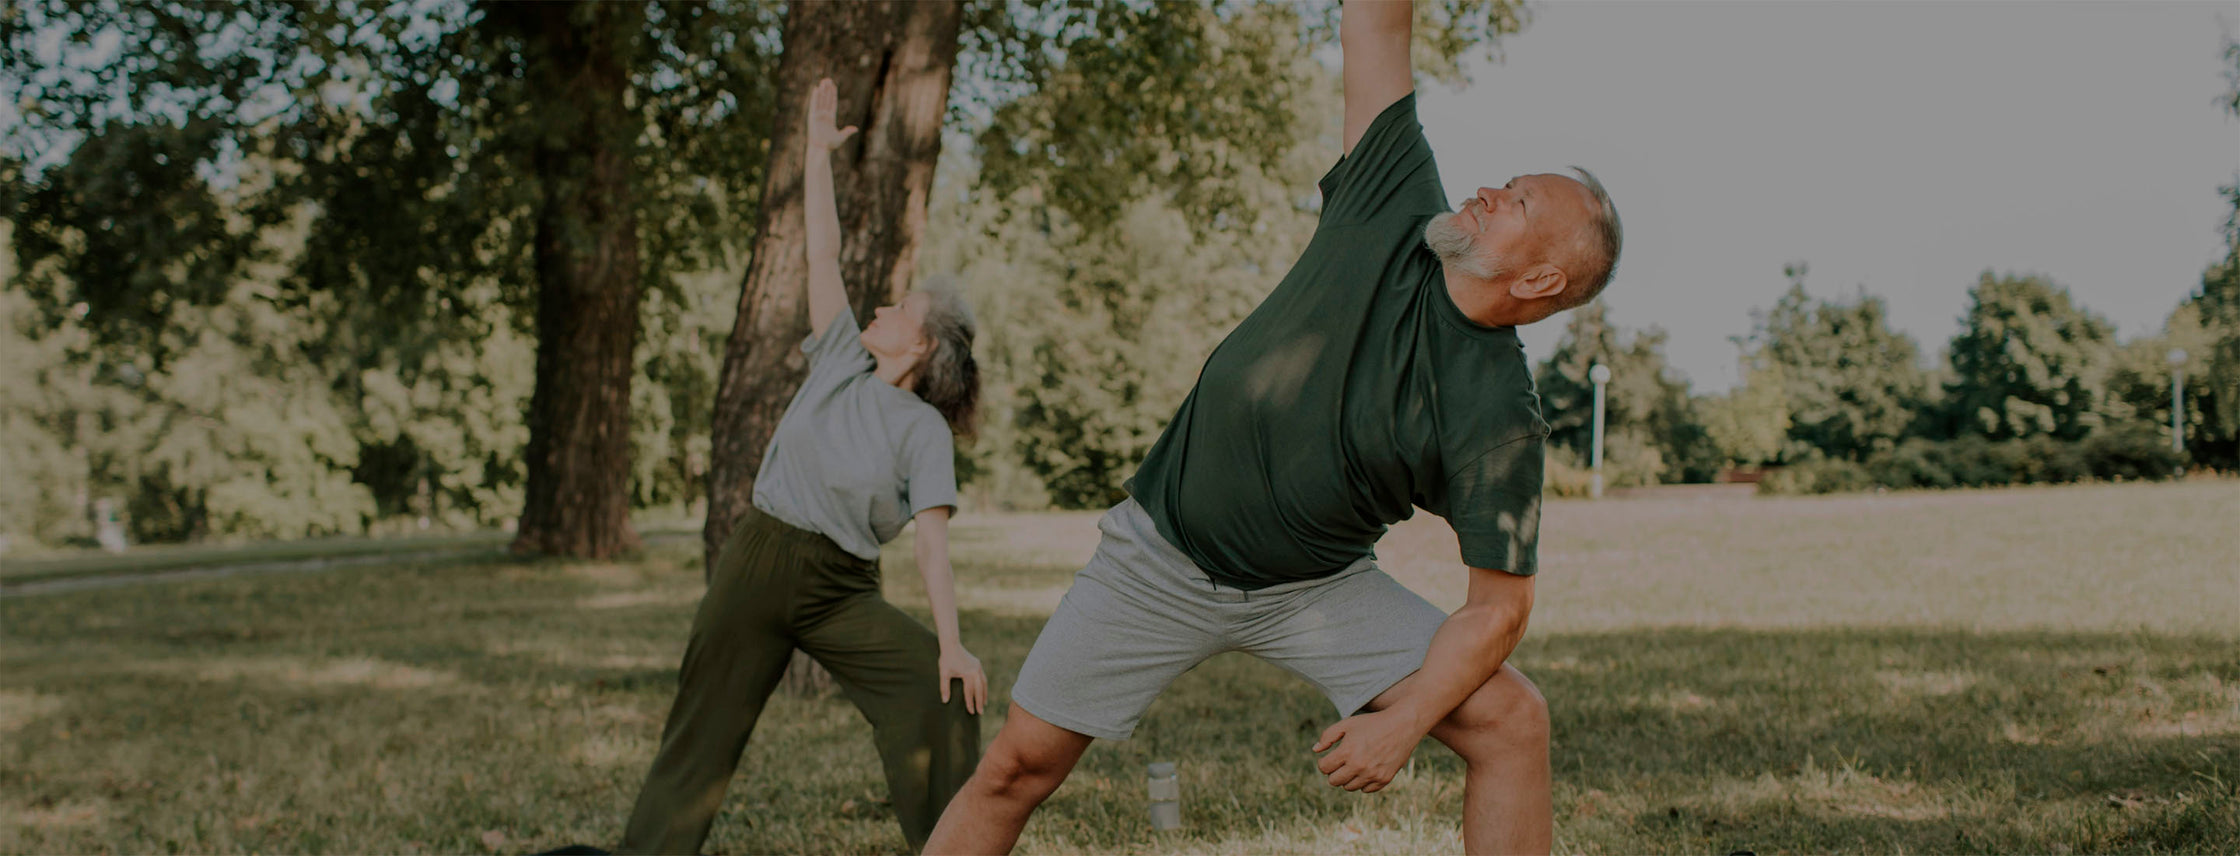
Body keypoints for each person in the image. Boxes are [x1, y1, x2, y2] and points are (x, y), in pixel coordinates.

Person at [920, 0, 1623, 853]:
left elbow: (1497, 612)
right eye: (1502, 182)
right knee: (1015, 769)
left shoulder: (1497, 417)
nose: (1486, 192)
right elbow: (1375, 23)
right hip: (1160, 556)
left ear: (1543, 278)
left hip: (1314, 591)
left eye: (1513, 201)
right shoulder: (1391, 200)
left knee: (1513, 720)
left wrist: (1402, 725)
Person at [617, 77, 987, 856]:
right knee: (700, 740)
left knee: (941, 690)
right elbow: (821, 247)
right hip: (758, 562)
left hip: (838, 589)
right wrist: (814, 153)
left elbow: (930, 543)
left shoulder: (923, 432)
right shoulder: (840, 361)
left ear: (919, 348)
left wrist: (952, 642)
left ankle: (957, 849)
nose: (881, 311)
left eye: (899, 312)